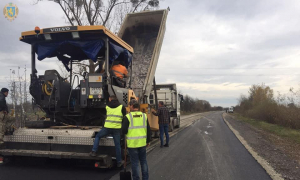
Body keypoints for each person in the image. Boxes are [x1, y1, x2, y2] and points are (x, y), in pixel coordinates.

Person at [89, 95, 126, 167]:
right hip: (117, 129)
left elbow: (104, 116)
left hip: (107, 127)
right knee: (117, 145)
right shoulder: (122, 106)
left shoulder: (107, 106)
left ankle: (94, 151)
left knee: (98, 136)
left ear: (110, 99)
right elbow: (124, 117)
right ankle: (119, 162)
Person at [122, 99, 151, 180]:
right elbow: (148, 130)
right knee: (143, 161)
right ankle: (145, 178)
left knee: (135, 163)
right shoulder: (144, 116)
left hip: (132, 144)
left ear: (131, 106)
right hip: (142, 143)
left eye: (129, 105)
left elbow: (124, 130)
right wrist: (148, 141)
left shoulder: (127, 117)